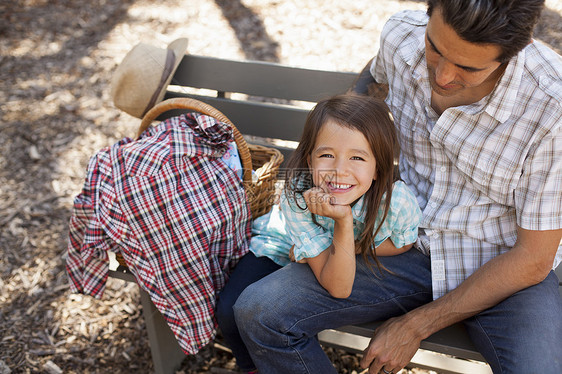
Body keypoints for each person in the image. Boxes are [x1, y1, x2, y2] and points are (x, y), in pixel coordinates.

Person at [233, 1, 562, 373]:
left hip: (503, 268)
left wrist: (415, 325)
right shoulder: (401, 36)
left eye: (468, 68)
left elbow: (533, 258)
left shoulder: (552, 104)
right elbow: (365, 90)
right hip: (397, 240)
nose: (441, 76)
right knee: (259, 312)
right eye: (434, 48)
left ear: (515, 51)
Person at [215, 94, 422, 373]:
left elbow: (400, 246)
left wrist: (345, 233)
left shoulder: (395, 202)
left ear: (378, 168)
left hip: (326, 251)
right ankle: (254, 368)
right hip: (284, 240)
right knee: (229, 308)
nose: (339, 171)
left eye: (357, 157)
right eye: (326, 155)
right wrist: (328, 249)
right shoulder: (299, 195)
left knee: (278, 313)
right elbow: (326, 271)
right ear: (310, 160)